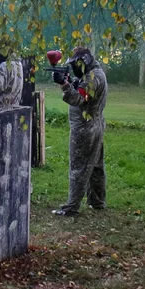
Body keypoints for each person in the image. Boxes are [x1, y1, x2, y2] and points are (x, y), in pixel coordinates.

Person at [50, 47, 108, 216]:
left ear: (84, 62)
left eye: (76, 64)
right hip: (95, 124)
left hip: (85, 128)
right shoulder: (95, 73)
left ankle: (71, 207)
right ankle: (97, 201)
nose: (74, 67)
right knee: (96, 165)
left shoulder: (92, 78)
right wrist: (71, 81)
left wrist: (64, 85)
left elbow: (78, 99)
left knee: (79, 167)